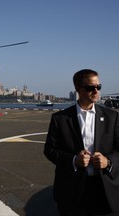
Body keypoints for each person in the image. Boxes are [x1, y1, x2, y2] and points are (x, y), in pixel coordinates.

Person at [44, 69, 119, 215]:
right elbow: (49, 150)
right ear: (78, 89)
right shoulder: (60, 119)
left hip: (105, 189)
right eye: (91, 87)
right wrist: (73, 160)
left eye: (99, 87)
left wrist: (108, 162)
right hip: (72, 190)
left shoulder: (112, 117)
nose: (96, 91)